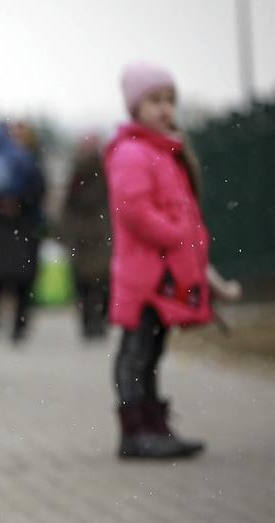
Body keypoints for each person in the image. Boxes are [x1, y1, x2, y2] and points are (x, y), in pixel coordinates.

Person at [105, 61, 208, 460]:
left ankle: (154, 424)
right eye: (155, 101)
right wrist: (177, 233)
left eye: (170, 100)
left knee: (152, 351)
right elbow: (134, 210)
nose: (165, 109)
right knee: (136, 352)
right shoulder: (132, 152)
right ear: (135, 107)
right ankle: (135, 430)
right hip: (143, 276)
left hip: (164, 274)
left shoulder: (165, 152)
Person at [0, 120, 46, 344]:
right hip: (11, 225)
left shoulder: (12, 160)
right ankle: (3, 322)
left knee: (16, 279)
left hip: (16, 225)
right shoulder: (23, 161)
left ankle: (13, 323)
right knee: (0, 278)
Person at [60, 134, 112, 340]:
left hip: (99, 234)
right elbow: (69, 206)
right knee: (85, 283)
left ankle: (97, 321)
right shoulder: (78, 174)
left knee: (100, 282)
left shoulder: (104, 171)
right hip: (84, 235)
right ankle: (89, 322)